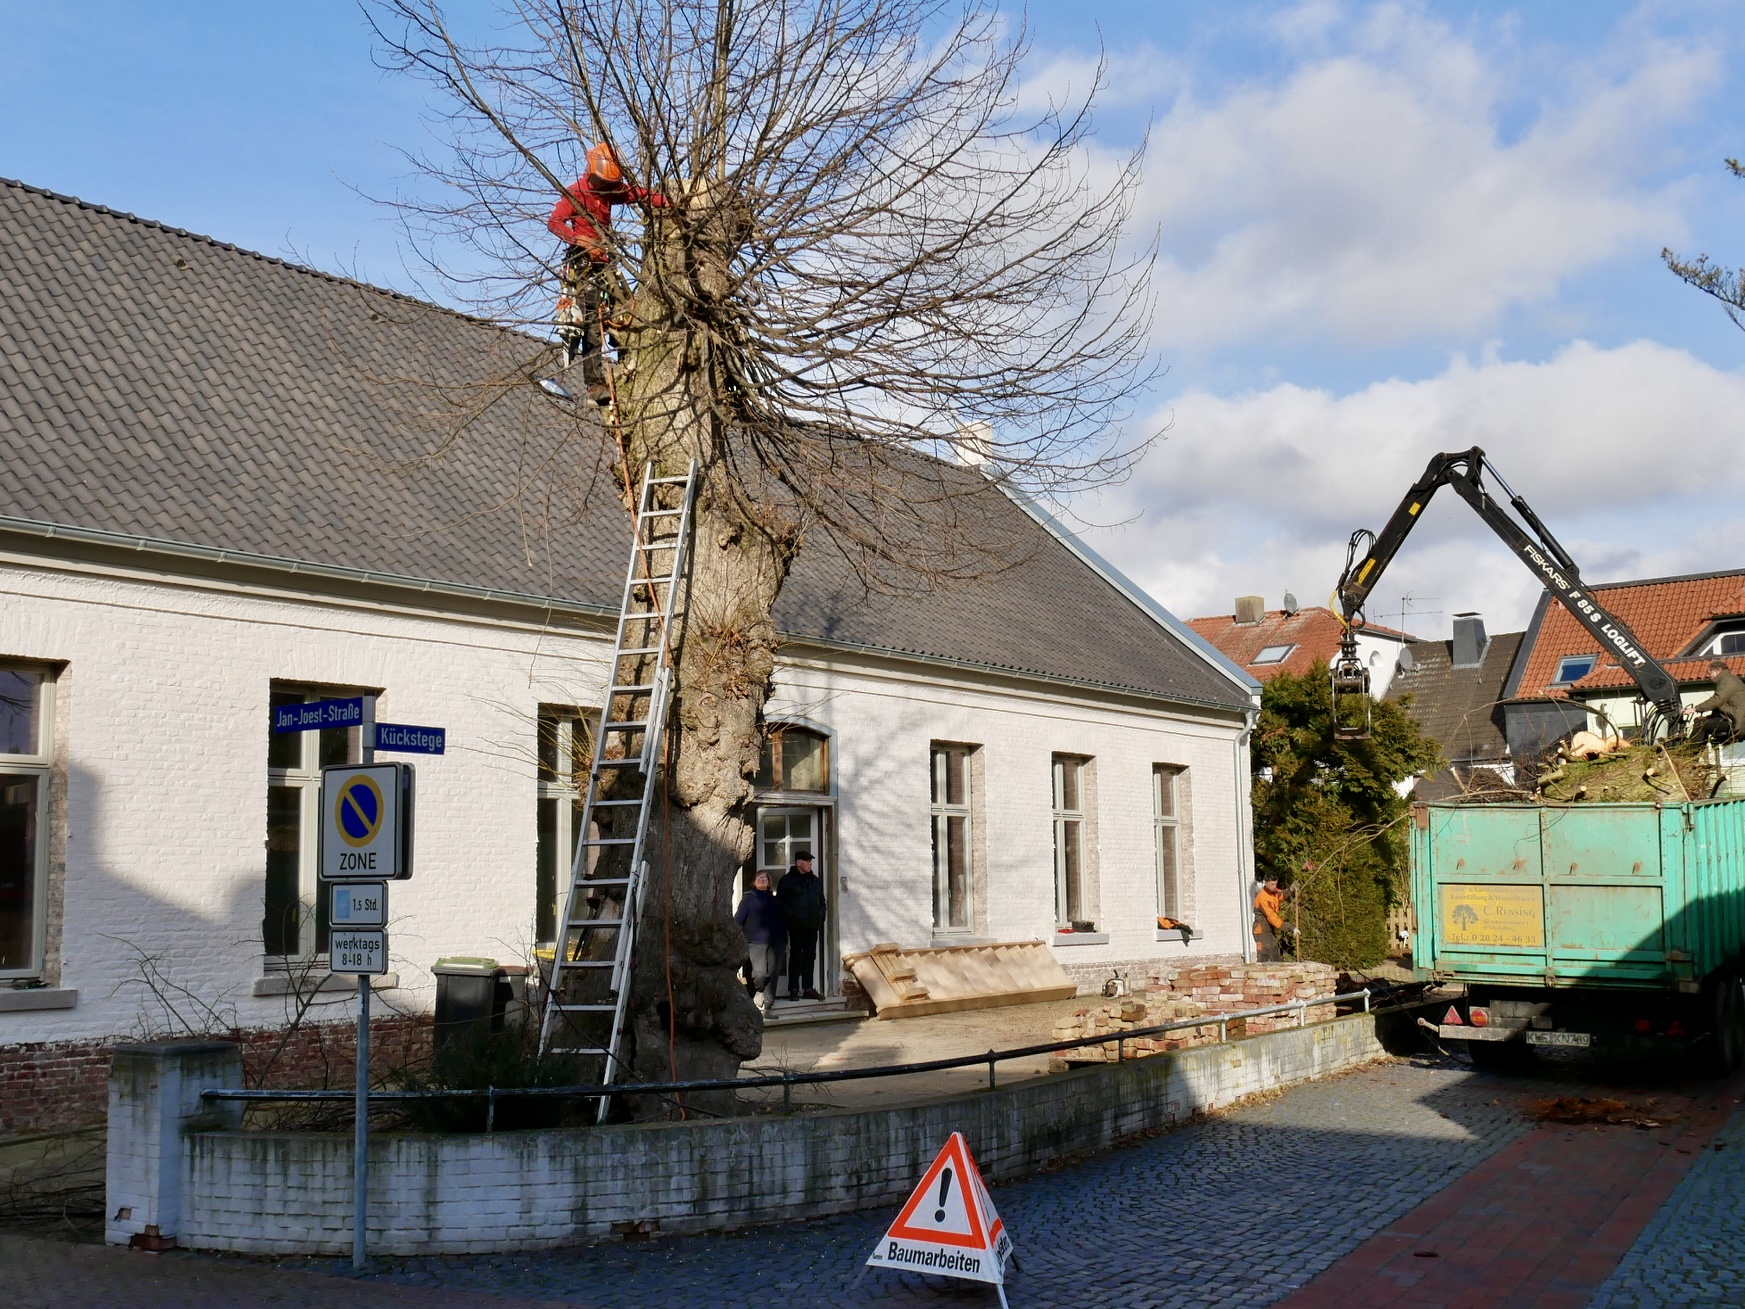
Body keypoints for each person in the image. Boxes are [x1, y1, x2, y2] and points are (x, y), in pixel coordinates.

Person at [546, 141, 668, 401]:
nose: (605, 188)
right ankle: (594, 385)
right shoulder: (577, 192)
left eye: (608, 184)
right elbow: (554, 222)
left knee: (626, 311)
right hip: (584, 266)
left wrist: (669, 202)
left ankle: (627, 357)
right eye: (602, 183)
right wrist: (579, 240)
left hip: (606, 264)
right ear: (592, 174)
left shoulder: (609, 191)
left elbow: (638, 194)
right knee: (591, 323)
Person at [734, 870, 786, 1013]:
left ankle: (768, 1005)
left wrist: (783, 938)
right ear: (754, 882)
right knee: (759, 973)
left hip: (776, 942)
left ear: (769, 883)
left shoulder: (776, 900)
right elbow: (738, 919)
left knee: (773, 973)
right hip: (755, 942)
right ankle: (759, 991)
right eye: (759, 878)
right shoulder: (748, 899)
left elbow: (783, 920)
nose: (762, 880)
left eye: (765, 878)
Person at [777, 850, 826, 1001]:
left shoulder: (815, 881)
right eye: (807, 861)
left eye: (810, 860)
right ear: (798, 863)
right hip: (796, 926)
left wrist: (821, 915)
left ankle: (808, 988)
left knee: (810, 956)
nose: (810, 863)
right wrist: (792, 915)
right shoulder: (787, 880)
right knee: (796, 956)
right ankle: (793, 989)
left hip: (812, 925)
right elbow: (780, 902)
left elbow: (821, 900)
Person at [1692, 660, 1745, 743]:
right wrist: (1709, 717)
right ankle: (1698, 749)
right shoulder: (1727, 679)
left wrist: (1695, 709)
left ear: (1717, 671)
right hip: (1731, 718)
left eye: (1709, 673)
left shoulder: (1727, 680)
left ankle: (1690, 750)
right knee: (1700, 721)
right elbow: (1722, 706)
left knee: (1701, 725)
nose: (1707, 675)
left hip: (1736, 722)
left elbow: (1717, 700)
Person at [1253, 874, 1286, 963]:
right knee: (1264, 956)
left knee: (1274, 953)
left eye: (1275, 884)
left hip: (1268, 930)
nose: (1274, 887)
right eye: (1272, 884)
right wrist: (1288, 927)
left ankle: (1276, 970)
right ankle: (1261, 972)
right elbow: (1272, 917)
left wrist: (1291, 889)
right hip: (1261, 931)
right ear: (1266, 883)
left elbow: (1281, 894)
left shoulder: (1273, 892)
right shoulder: (1262, 897)